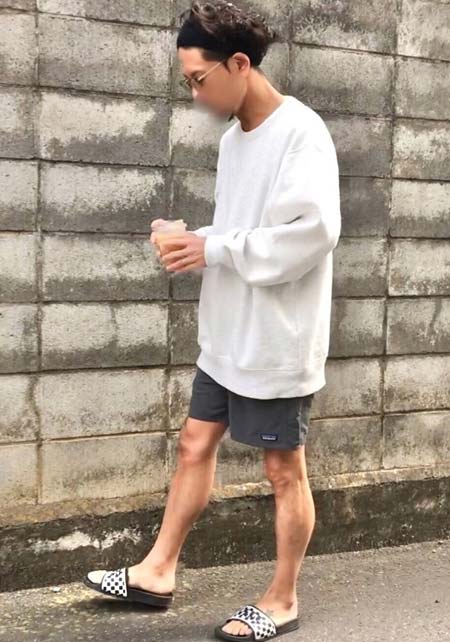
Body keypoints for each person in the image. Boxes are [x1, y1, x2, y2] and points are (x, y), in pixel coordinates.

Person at [83, 2, 341, 640]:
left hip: (276, 340)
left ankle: (282, 599)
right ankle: (156, 572)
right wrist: (192, 239)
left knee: (283, 471)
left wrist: (214, 247)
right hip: (226, 333)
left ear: (239, 64)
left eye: (199, 79)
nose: (195, 95)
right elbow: (239, 233)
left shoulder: (301, 132)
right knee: (193, 444)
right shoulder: (234, 140)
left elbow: (312, 235)